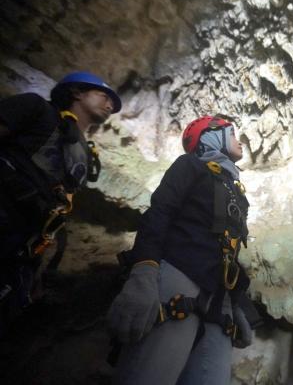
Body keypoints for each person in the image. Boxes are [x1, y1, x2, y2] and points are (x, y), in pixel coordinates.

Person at [107, 115, 259, 385]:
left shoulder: (236, 193)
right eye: (233, 134)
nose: (240, 141)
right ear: (212, 136)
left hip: (217, 296)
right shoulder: (190, 166)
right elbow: (159, 214)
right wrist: (143, 271)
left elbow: (229, 252)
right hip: (180, 277)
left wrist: (236, 305)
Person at [0, 71, 120, 318]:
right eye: (103, 95)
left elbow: (58, 207)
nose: (110, 105)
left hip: (20, 240)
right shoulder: (37, 109)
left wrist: (35, 268)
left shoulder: (84, 154)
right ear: (77, 92)